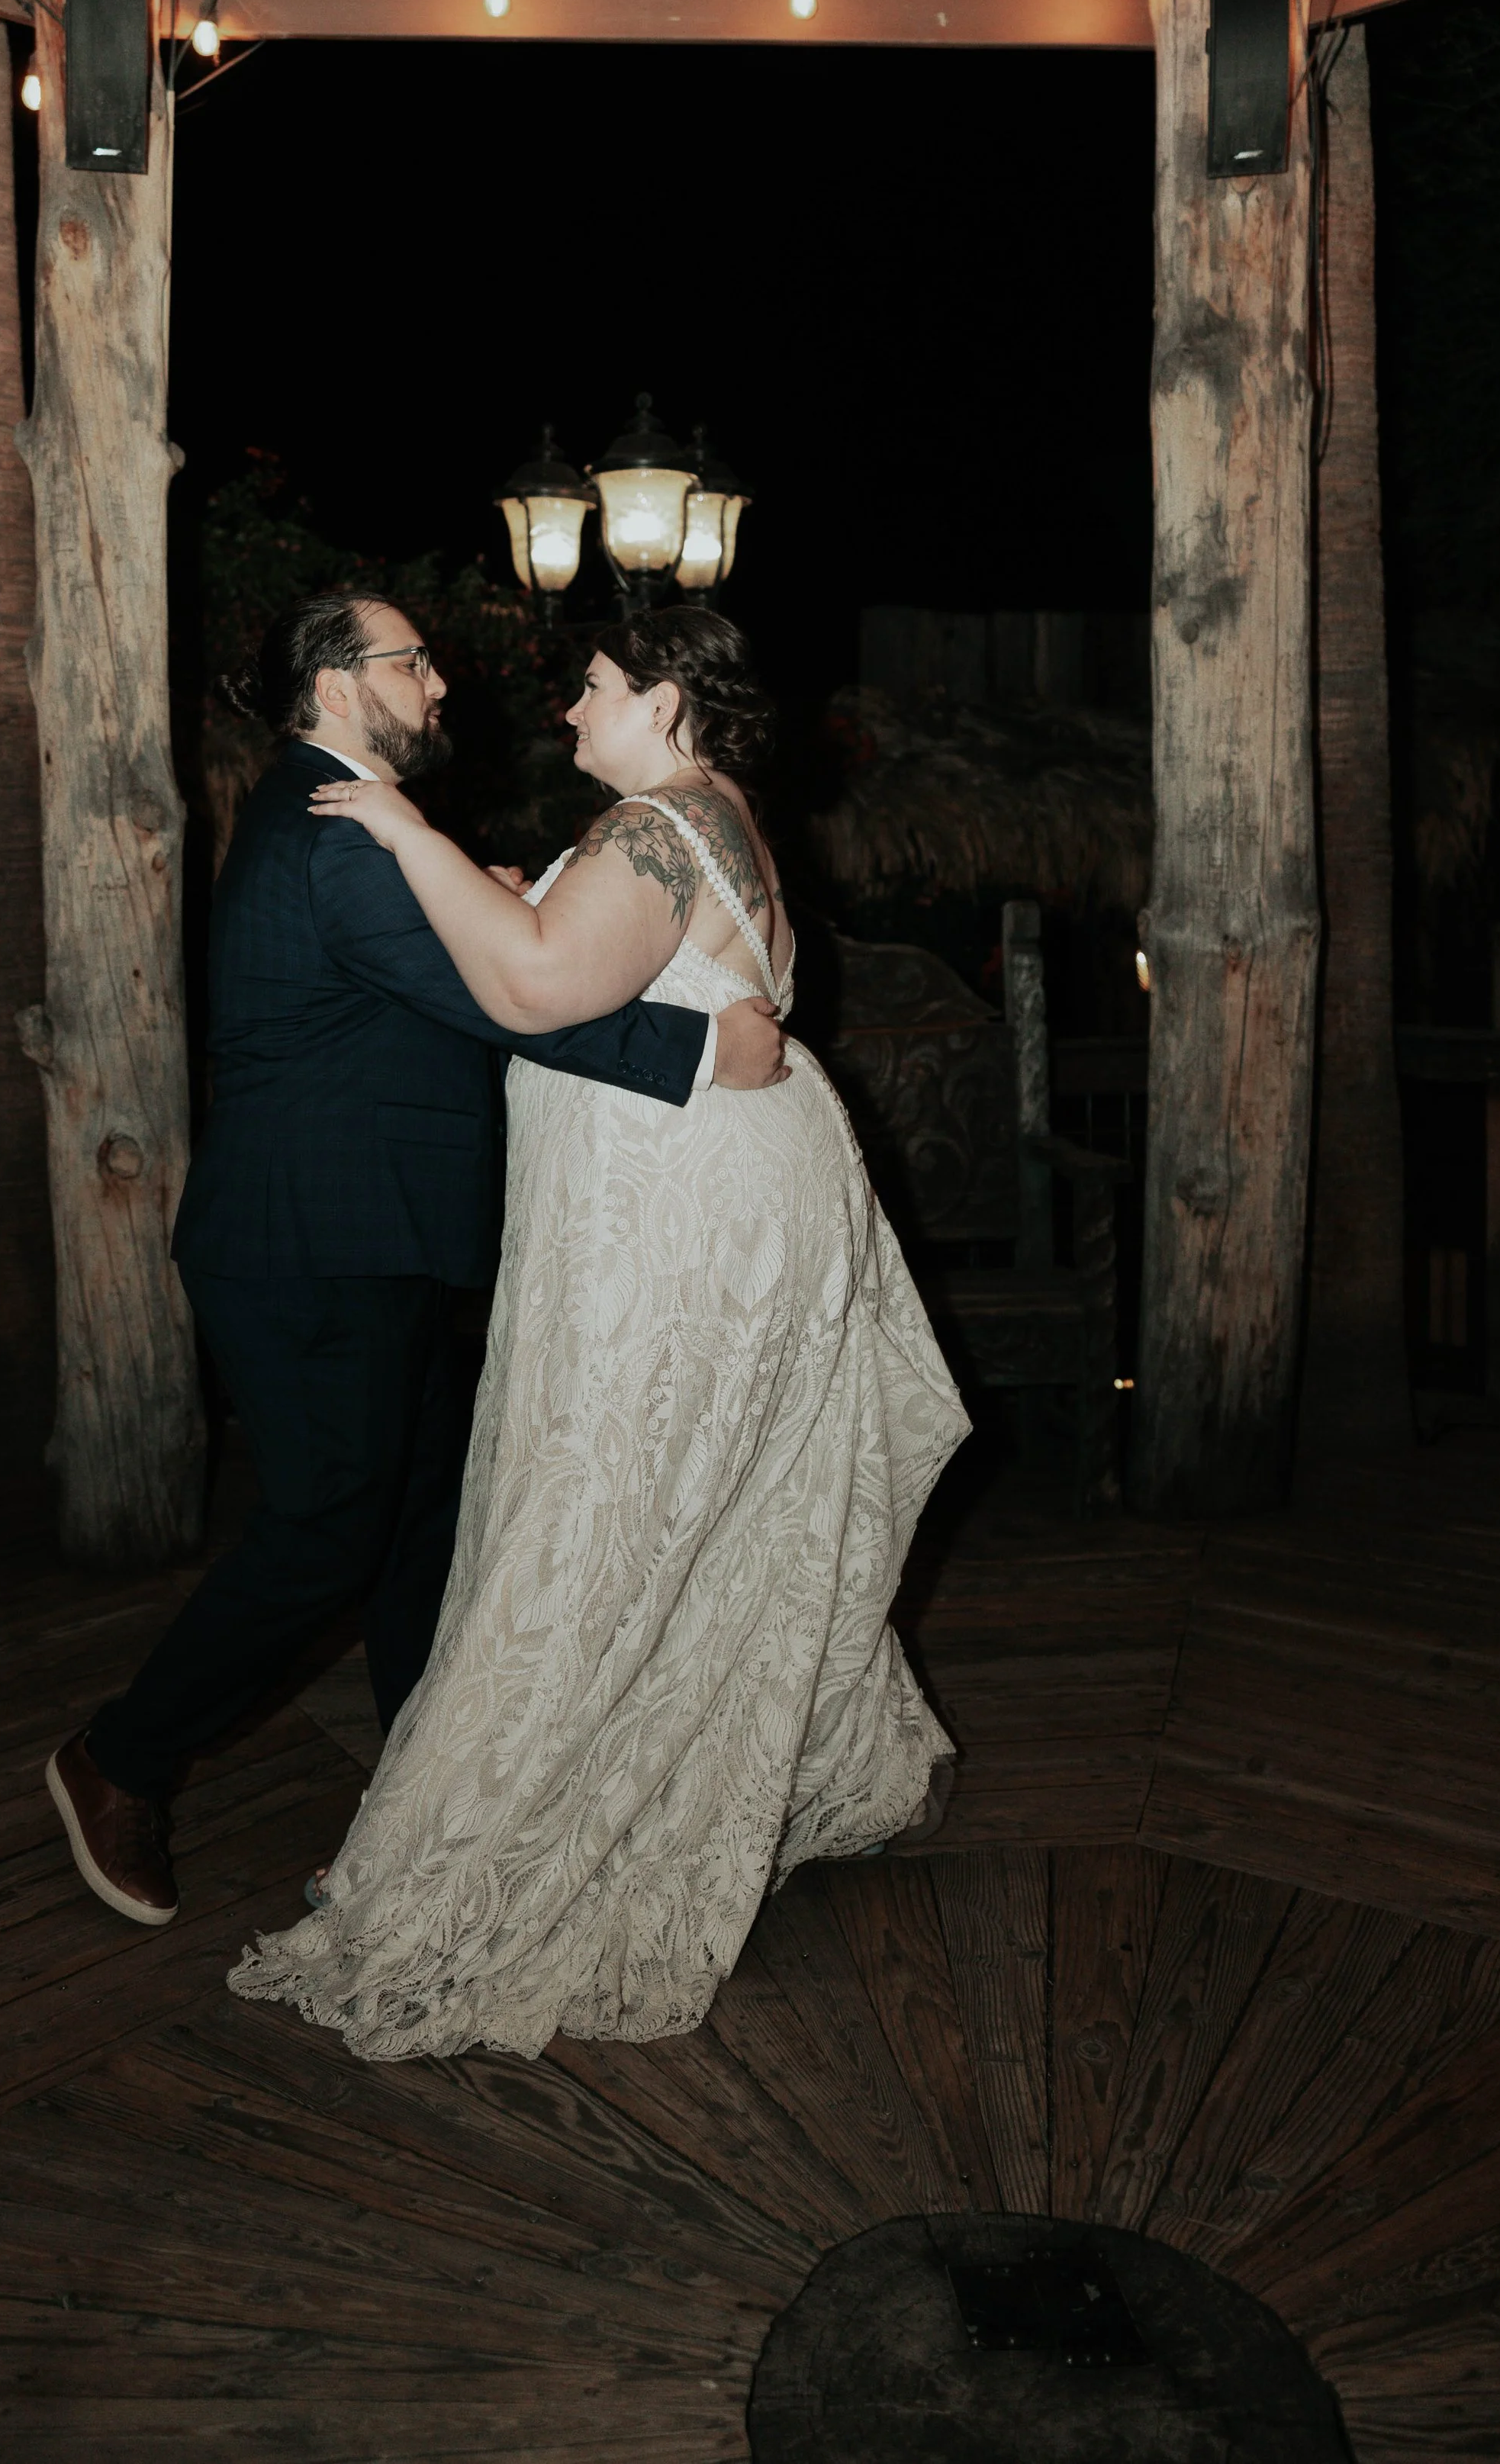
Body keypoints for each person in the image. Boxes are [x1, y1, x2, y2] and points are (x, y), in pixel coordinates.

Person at [227, 607, 968, 2060]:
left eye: (594, 687)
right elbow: (585, 956)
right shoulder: (713, 818)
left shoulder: (655, 821)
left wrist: (401, 830)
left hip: (672, 1233)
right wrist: (505, 881)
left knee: (593, 1526)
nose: (567, 711)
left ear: (669, 700)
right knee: (671, 1519)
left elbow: (537, 987)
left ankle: (467, 1855)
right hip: (714, 1204)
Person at [46, 591, 789, 1928]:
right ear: (336, 687)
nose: (443, 684)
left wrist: (504, 894)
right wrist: (697, 1051)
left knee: (418, 1533)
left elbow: (445, 970)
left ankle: (427, 1807)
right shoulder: (339, 832)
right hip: (313, 1241)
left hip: (375, 1237)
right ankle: (119, 1757)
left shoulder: (342, 816)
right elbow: (510, 999)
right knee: (335, 1530)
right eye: (413, 663)